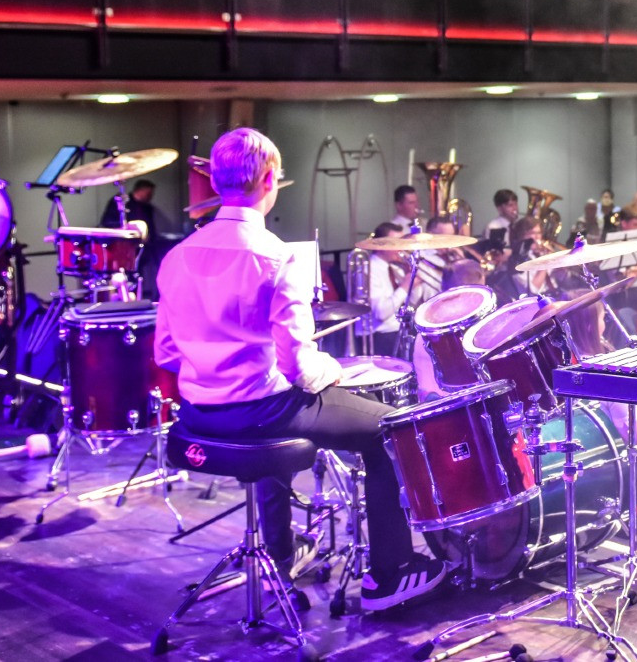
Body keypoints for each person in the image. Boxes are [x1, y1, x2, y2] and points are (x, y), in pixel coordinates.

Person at [154, 128, 448, 610]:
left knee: (281, 419)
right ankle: (390, 574)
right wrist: (333, 370)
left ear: (217, 182)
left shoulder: (175, 258)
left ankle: (280, 556)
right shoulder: (275, 256)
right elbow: (297, 368)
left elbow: (166, 352)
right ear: (270, 179)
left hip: (199, 416)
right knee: (392, 428)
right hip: (262, 411)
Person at [358, 222, 412, 357]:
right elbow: (381, 313)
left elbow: (413, 302)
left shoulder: (396, 269)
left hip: (397, 332)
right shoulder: (368, 270)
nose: (401, 248)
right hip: (379, 337)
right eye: (396, 243)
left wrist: (413, 279)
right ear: (381, 245)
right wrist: (405, 286)